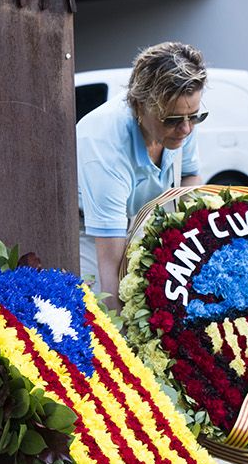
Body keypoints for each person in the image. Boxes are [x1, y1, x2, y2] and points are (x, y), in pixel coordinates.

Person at [77, 41, 207, 310]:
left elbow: (190, 177)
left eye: (194, 117)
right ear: (139, 105)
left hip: (139, 222)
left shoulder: (182, 119)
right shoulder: (105, 142)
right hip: (89, 232)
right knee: (101, 308)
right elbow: (110, 268)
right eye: (172, 120)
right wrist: (121, 342)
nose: (185, 129)